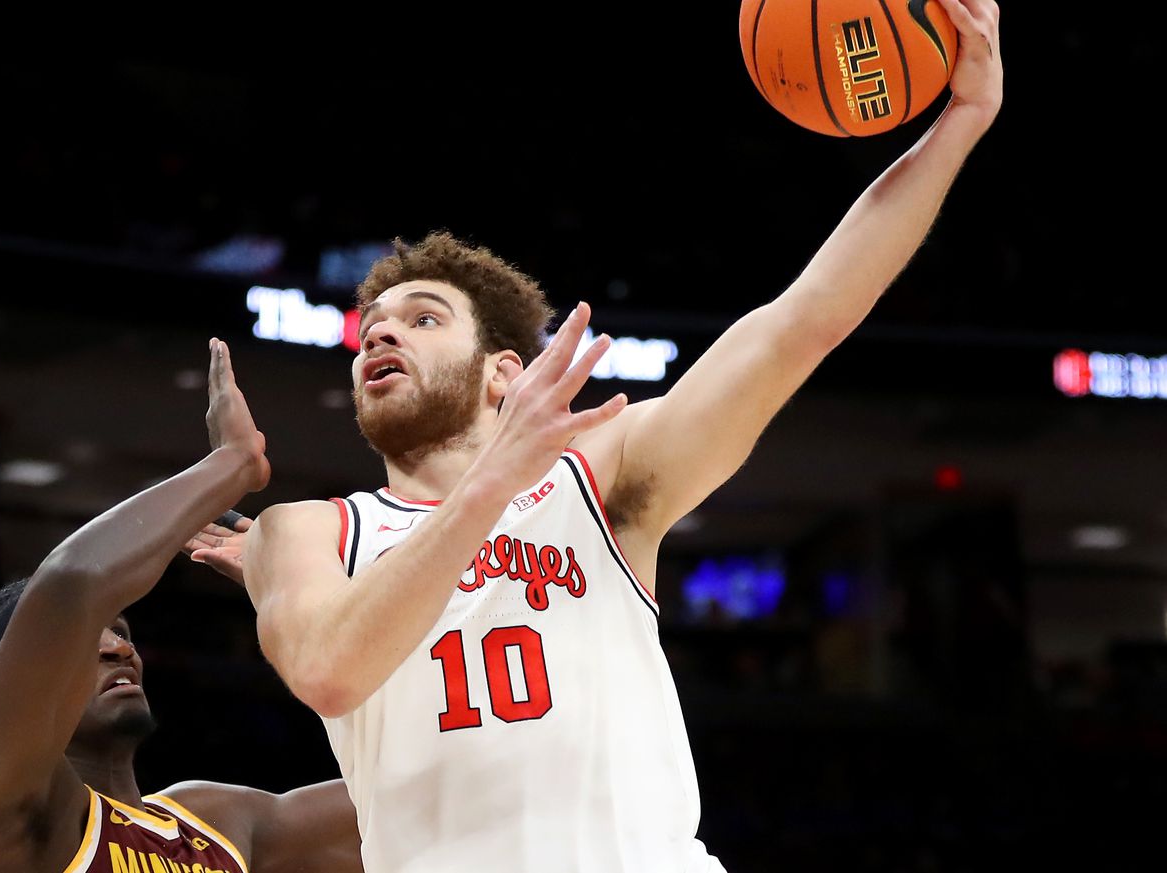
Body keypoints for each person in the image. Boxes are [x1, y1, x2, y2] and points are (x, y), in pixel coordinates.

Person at [192, 4, 1003, 869]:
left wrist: (958, 126)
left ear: (503, 372)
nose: (381, 336)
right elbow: (329, 671)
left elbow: (800, 323)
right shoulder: (306, 532)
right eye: (373, 327)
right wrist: (489, 484)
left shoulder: (601, 478)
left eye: (422, 318)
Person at [0, 339, 363, 873]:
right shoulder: (0, 812)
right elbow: (72, 586)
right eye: (87, 638)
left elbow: (439, 784)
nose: (119, 648)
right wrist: (233, 463)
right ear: (8, 686)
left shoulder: (220, 823)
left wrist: (322, 600)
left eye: (121, 631)